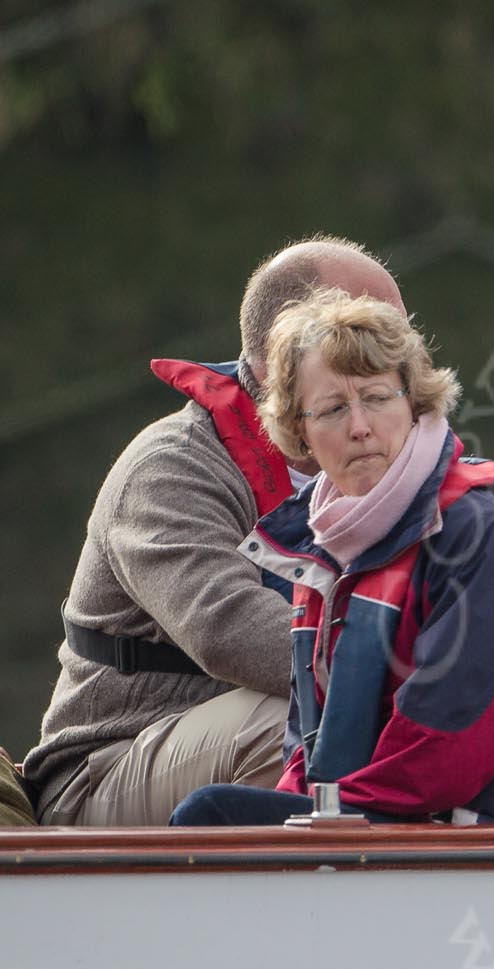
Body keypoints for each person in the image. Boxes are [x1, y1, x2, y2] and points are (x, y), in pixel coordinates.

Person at [170, 292, 494, 825]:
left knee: (212, 816)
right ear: (299, 433)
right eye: (332, 409)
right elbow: (306, 746)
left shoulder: (480, 535)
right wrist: (306, 812)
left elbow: (447, 752)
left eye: (376, 397)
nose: (360, 426)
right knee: (221, 821)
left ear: (415, 404)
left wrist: (316, 818)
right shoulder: (320, 548)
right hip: (380, 825)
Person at [24, 236, 404, 826]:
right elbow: (226, 626)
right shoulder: (171, 467)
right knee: (298, 719)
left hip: (317, 709)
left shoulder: (390, 460)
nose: (402, 358)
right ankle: (325, 909)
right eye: (372, 334)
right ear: (289, 345)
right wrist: (417, 670)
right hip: (105, 768)